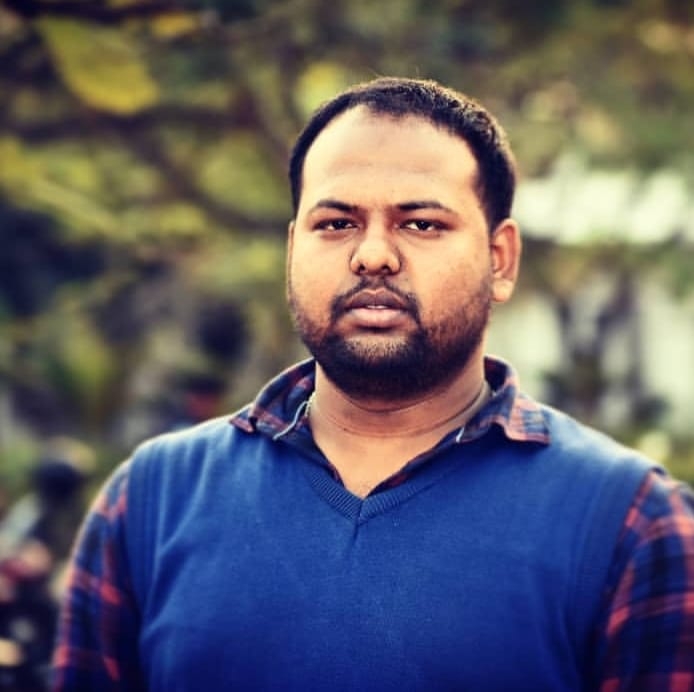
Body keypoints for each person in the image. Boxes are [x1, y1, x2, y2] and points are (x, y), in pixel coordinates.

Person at [51, 77, 694, 691]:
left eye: (421, 224)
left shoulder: (630, 522)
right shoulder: (152, 500)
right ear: (293, 250)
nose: (373, 255)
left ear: (499, 260)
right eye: (336, 223)